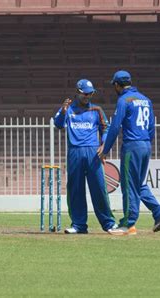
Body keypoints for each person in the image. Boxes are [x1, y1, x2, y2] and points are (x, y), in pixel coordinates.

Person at [99, 70, 160, 235]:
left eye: (114, 85)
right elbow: (152, 128)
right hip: (146, 144)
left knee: (129, 185)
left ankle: (127, 223)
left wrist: (105, 149)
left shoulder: (124, 100)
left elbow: (115, 126)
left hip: (132, 146)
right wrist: (145, 143)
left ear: (117, 85)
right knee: (138, 184)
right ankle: (159, 212)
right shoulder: (146, 100)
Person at [54, 79, 117, 234]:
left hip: (93, 153)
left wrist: (103, 144)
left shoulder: (96, 110)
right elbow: (58, 124)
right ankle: (79, 225)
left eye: (90, 93)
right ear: (78, 92)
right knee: (75, 189)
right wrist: (62, 111)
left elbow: (106, 128)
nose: (88, 96)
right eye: (85, 93)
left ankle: (108, 223)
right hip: (75, 152)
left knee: (99, 189)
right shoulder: (68, 109)